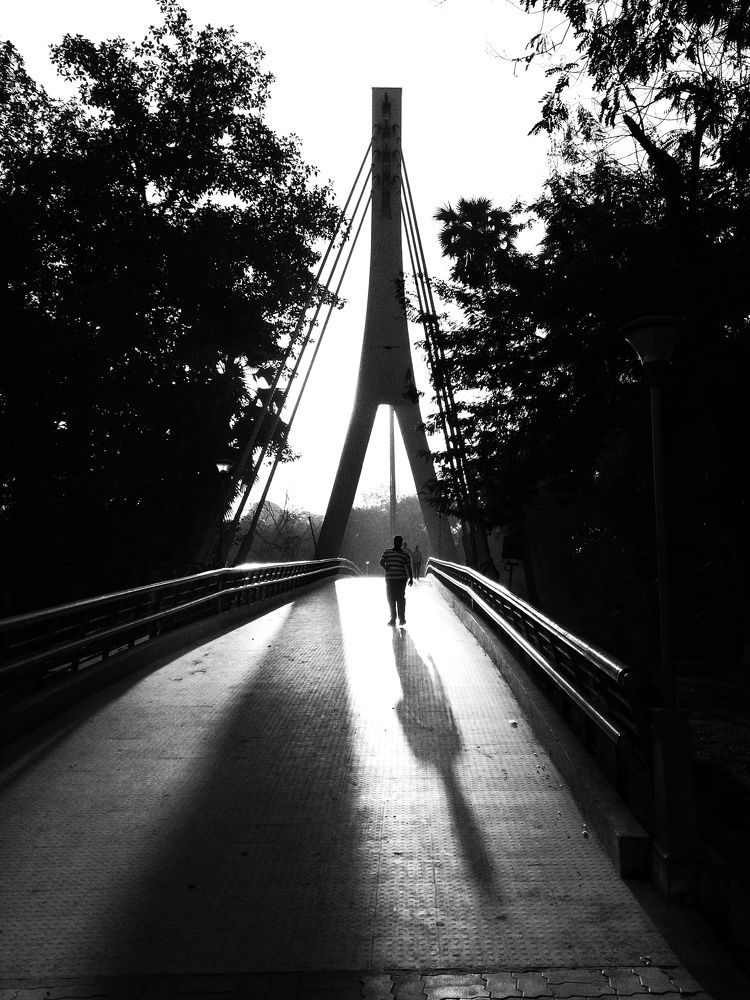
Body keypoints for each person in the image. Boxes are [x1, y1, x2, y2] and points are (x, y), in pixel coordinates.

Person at [379, 535, 413, 626]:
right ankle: (393, 618)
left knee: (400, 598)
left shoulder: (405, 554)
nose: (398, 543)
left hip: (401, 579)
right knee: (391, 598)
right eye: (396, 542)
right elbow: (381, 561)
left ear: (401, 543)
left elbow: (409, 566)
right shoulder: (387, 552)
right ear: (394, 542)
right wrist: (385, 566)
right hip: (390, 579)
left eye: (399, 542)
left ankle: (401, 618)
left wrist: (411, 578)